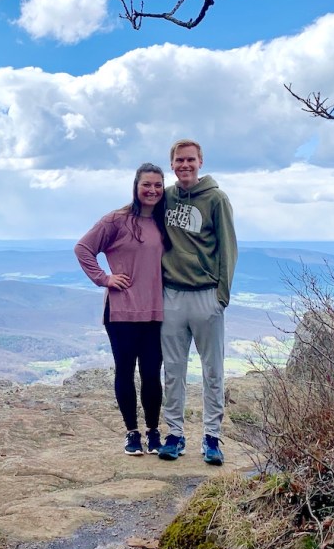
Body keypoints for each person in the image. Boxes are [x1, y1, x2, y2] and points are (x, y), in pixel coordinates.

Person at [75, 163, 171, 456]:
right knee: (125, 372)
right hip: (121, 312)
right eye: (147, 185)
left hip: (156, 311)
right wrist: (104, 278)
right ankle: (132, 433)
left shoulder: (163, 220)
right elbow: (83, 248)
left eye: (158, 185)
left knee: (152, 374)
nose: (152, 190)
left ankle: (153, 432)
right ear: (136, 186)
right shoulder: (115, 220)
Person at [158, 139, 238, 466]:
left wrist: (221, 296)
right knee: (174, 371)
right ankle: (174, 436)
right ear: (172, 164)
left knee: (213, 371)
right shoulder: (166, 198)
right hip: (172, 295)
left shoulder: (216, 199)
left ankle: (212, 439)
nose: (185, 165)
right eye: (179, 160)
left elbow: (228, 248)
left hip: (206, 295)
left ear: (201, 161)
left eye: (190, 159)